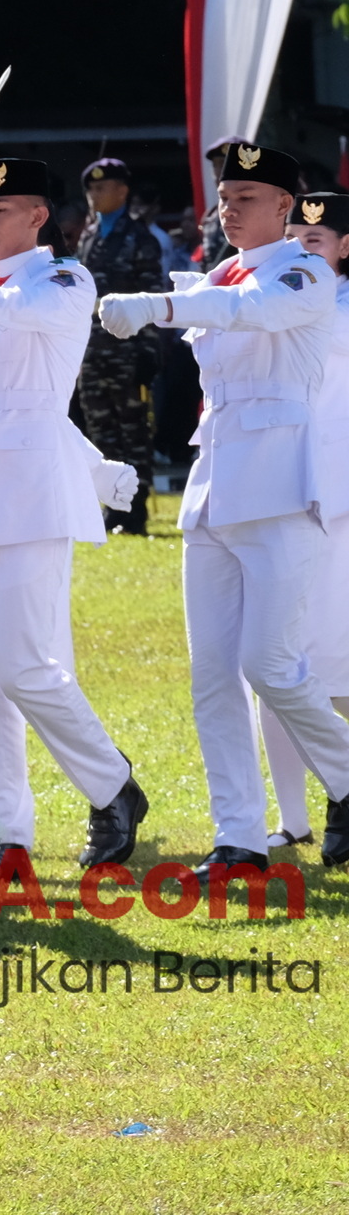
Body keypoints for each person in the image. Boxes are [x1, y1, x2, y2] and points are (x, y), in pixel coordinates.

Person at [97, 142, 349, 876]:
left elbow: (245, 312)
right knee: (212, 677)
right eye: (224, 196)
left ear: (284, 207)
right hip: (213, 489)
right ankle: (237, 835)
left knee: (270, 665)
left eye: (245, 197)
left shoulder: (302, 272)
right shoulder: (220, 273)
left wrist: (158, 305)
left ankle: (343, 779)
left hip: (278, 487)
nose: (227, 208)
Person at [0, 157, 147, 880]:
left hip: (30, 495)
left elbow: (16, 335)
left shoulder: (61, 281)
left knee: (24, 663)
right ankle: (2, 828)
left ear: (39, 217)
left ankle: (112, 785)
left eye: (1, 212)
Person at [259, 190, 349, 850]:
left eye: (315, 241)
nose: (302, 251)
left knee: (333, 661)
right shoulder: (268, 299)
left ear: (344, 248)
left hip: (339, 501)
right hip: (275, 493)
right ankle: (292, 820)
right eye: (293, 240)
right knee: (272, 662)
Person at [75, 158, 166, 534]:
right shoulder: (88, 235)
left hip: (128, 351)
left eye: (103, 187)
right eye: (91, 188)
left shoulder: (139, 237)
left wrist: (148, 351)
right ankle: (112, 505)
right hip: (93, 351)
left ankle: (136, 510)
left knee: (133, 431)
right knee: (101, 430)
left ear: (123, 191)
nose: (95, 195)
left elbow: (152, 296)